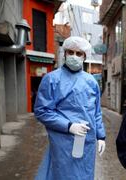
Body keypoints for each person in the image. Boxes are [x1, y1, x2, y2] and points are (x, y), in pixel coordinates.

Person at [34, 36, 106, 180]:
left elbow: (96, 111)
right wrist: (68, 126)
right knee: (63, 174)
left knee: (84, 174)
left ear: (84, 56)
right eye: (70, 52)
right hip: (63, 141)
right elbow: (42, 111)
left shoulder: (91, 81)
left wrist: (100, 135)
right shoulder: (51, 79)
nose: (74, 56)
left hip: (86, 141)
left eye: (79, 53)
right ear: (65, 53)